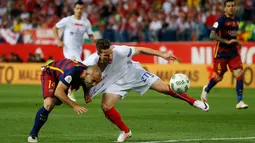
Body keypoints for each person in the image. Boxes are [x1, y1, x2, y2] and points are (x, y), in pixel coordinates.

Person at [83, 39, 209, 142]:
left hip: (133, 72)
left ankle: (193, 102)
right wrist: (86, 93)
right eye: (106, 55)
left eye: (111, 53)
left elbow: (141, 49)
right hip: (116, 82)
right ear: (99, 54)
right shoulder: (90, 62)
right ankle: (126, 131)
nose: (110, 56)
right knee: (106, 106)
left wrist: (163, 55)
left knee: (164, 88)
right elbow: (80, 76)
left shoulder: (120, 51)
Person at [27, 59, 101, 143]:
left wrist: (86, 93)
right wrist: (74, 105)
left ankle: (59, 98)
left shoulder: (86, 71)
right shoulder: (71, 72)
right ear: (87, 74)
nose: (94, 84)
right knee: (49, 104)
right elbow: (58, 92)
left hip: (63, 75)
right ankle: (33, 134)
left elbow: (85, 81)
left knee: (58, 100)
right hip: (50, 73)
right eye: (94, 80)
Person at [201, 0, 248, 109]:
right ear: (225, 9)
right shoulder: (221, 20)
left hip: (233, 53)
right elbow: (212, 35)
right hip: (221, 54)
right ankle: (206, 89)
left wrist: (236, 41)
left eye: (232, 6)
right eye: (228, 6)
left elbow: (232, 35)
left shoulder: (237, 19)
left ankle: (240, 101)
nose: (231, 8)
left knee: (239, 73)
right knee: (218, 77)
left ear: (235, 8)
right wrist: (226, 41)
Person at [52, 0, 95, 102]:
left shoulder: (86, 22)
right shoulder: (67, 20)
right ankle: (69, 91)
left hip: (78, 50)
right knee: (77, 69)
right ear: (74, 9)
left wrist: (95, 42)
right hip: (68, 49)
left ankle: (65, 89)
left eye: (81, 9)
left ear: (83, 9)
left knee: (76, 71)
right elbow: (54, 28)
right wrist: (58, 40)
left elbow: (90, 35)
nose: (79, 10)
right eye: (77, 8)